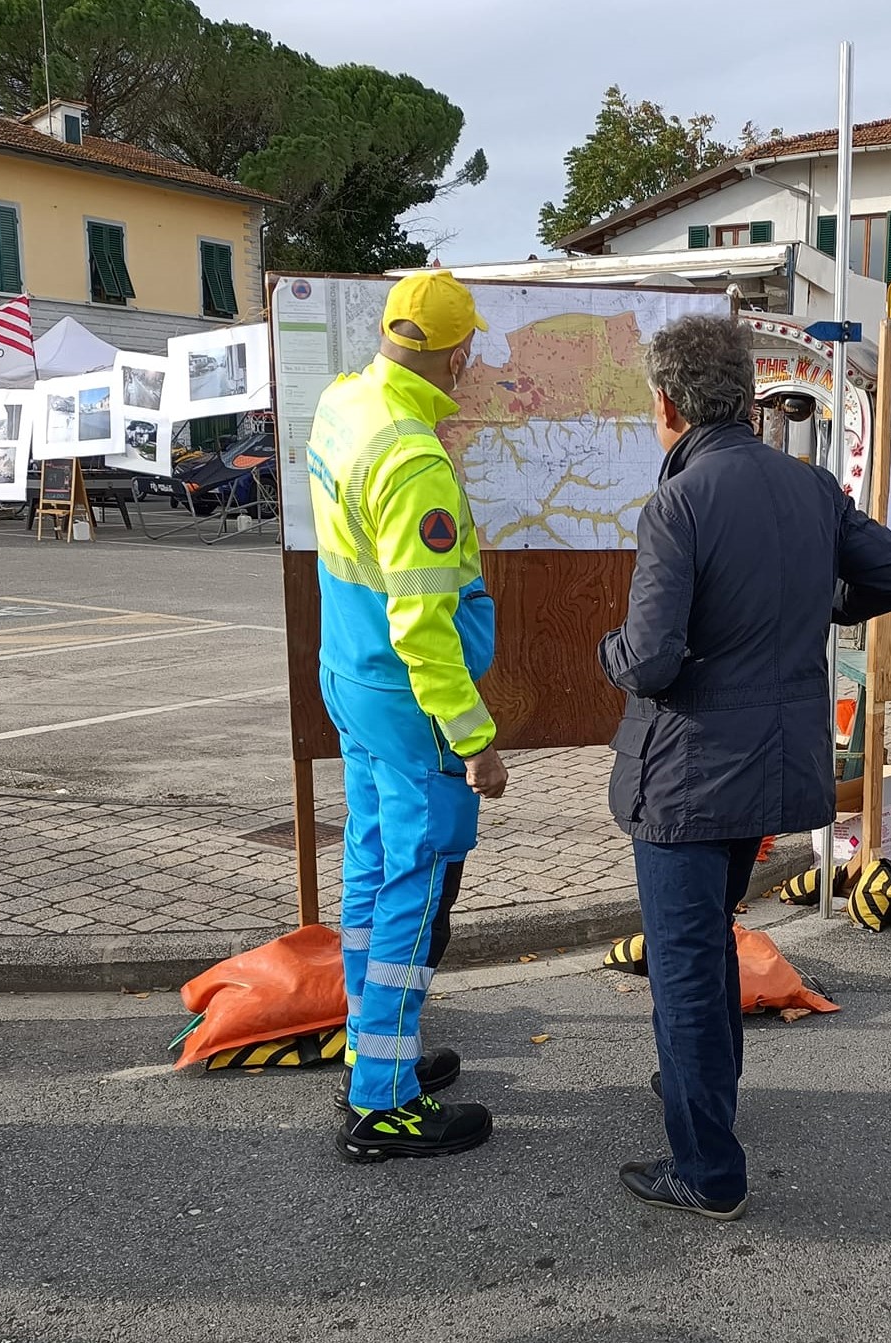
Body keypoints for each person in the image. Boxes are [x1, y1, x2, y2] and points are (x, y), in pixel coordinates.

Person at [599, 315, 891, 1220]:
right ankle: (702, 1107)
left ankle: (706, 1166)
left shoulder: (680, 502)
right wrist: (819, 605)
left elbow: (653, 658)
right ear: (743, 397)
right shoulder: (809, 486)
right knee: (707, 946)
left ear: (667, 404)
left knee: (686, 967)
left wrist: (610, 656)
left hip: (689, 772)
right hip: (773, 768)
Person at [307, 270, 508, 1162]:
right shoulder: (414, 458)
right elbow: (423, 624)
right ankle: (382, 1102)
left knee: (371, 862)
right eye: (470, 350)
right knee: (416, 886)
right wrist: (475, 738)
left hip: (351, 679)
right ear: (454, 351)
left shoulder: (345, 400)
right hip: (411, 703)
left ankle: (372, 1050)